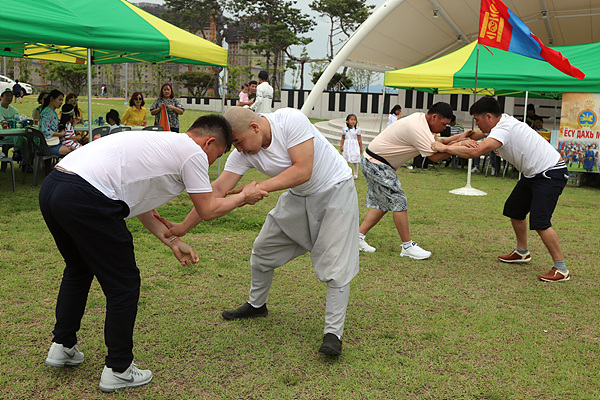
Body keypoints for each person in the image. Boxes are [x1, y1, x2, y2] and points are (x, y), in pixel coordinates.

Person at [40, 114, 267, 392]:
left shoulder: (160, 142)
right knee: (124, 285)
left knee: (78, 268)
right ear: (209, 143)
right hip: (88, 196)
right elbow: (207, 209)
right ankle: (119, 368)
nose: (210, 164)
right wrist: (244, 196)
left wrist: (172, 242)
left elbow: (139, 203)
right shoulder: (193, 153)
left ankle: (62, 346)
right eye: (216, 156)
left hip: (55, 186)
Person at [160, 107, 360, 357]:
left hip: (335, 190)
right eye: (234, 145)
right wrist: (183, 228)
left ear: (255, 128)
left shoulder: (290, 121)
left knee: (336, 266)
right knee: (263, 250)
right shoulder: (243, 153)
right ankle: (257, 305)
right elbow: (217, 191)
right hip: (298, 197)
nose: (239, 149)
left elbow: (302, 170)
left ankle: (333, 334)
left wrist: (256, 188)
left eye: (239, 142)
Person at [432, 96, 570, 282]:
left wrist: (444, 148)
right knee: (515, 210)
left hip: (549, 174)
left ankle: (561, 269)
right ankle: (522, 252)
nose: (476, 124)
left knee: (540, 221)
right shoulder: (499, 123)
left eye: (477, 119)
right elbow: (472, 136)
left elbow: (475, 151)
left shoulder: (504, 129)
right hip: (532, 174)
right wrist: (446, 140)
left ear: (488, 116)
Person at [358, 102, 465, 258]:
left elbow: (440, 143)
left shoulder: (421, 120)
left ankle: (357, 237)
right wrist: (461, 146)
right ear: (434, 117)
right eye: (444, 124)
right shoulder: (417, 128)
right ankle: (407, 247)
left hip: (373, 161)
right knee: (398, 200)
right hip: (377, 163)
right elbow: (434, 156)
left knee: (383, 204)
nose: (444, 128)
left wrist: (461, 139)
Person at [39, 89, 71, 156]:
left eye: (62, 100)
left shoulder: (52, 112)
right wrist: (60, 134)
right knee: (72, 150)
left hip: (52, 143)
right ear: (52, 99)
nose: (61, 102)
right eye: (59, 100)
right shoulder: (47, 112)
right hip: (48, 145)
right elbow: (45, 130)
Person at [340, 114, 362, 179]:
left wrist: (360, 147)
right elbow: (343, 138)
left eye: (354, 120)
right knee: (345, 159)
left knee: (355, 160)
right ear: (347, 121)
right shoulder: (345, 129)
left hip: (354, 146)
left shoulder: (357, 130)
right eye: (351, 120)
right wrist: (341, 146)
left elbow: (359, 139)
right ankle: (345, 172)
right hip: (347, 146)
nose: (353, 121)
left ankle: (355, 173)